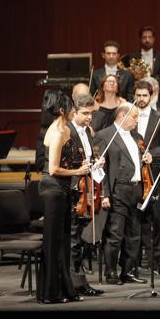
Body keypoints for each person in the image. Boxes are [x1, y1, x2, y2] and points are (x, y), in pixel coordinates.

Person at [38, 89, 89, 304]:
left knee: (63, 241)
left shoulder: (65, 128)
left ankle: (65, 289)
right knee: (54, 242)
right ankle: (51, 294)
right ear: (62, 110)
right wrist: (78, 172)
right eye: (71, 108)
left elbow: (68, 161)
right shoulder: (57, 132)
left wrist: (85, 165)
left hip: (63, 189)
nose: (74, 111)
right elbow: (54, 168)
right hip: (53, 190)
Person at [95, 102, 152, 285]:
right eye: (134, 117)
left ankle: (128, 271)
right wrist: (104, 194)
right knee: (115, 233)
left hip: (136, 190)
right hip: (118, 189)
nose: (137, 120)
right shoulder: (105, 136)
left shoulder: (138, 137)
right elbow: (99, 169)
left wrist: (147, 159)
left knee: (134, 234)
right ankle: (111, 272)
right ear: (122, 116)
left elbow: (139, 162)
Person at [132, 80, 160, 273]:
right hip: (133, 173)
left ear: (151, 96)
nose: (141, 99)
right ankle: (134, 262)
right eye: (138, 95)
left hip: (153, 172)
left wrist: (152, 154)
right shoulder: (128, 115)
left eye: (144, 96)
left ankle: (155, 261)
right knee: (135, 219)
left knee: (155, 219)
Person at [67, 94, 105, 297]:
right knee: (73, 241)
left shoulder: (88, 132)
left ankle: (80, 282)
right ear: (74, 111)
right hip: (73, 191)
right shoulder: (68, 131)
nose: (89, 117)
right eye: (85, 113)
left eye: (91, 113)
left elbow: (88, 159)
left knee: (79, 241)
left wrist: (97, 163)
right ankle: (74, 284)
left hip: (85, 192)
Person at [123, 26, 160, 96]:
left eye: (150, 37)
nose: (147, 40)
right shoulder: (131, 57)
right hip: (137, 94)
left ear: (154, 39)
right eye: (144, 37)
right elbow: (127, 79)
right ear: (140, 39)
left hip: (157, 95)